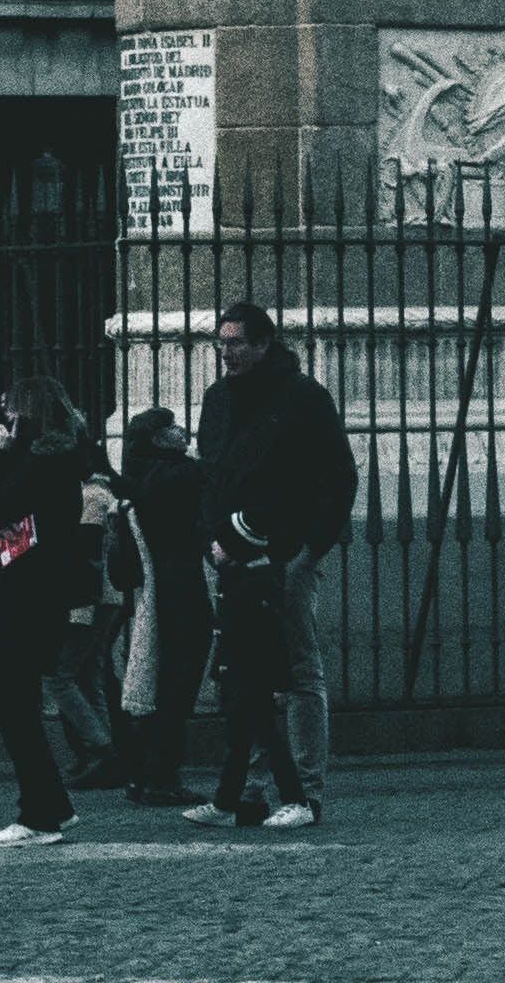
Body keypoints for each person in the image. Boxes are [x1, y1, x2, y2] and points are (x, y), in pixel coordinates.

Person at [192, 300, 350, 827]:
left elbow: (336, 476)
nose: (225, 352)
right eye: (221, 342)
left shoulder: (303, 397)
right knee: (247, 674)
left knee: (299, 668)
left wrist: (310, 551)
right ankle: (252, 789)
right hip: (232, 554)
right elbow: (210, 475)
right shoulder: (218, 400)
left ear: (263, 345)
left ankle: (306, 790)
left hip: (288, 552)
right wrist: (215, 541)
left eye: (235, 342)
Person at [0, 378, 100, 847]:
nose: (2, 422)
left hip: (21, 597)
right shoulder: (55, 460)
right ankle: (52, 805)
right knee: (15, 705)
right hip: (31, 593)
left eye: (8, 411)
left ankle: (41, 812)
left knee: (12, 707)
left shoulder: (39, 461)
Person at [101, 406, 213, 804]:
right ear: (155, 438)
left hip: (154, 587)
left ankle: (143, 771)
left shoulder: (137, 479)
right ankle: (161, 774)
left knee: (154, 682)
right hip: (181, 585)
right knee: (177, 682)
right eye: (169, 427)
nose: (180, 431)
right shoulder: (180, 475)